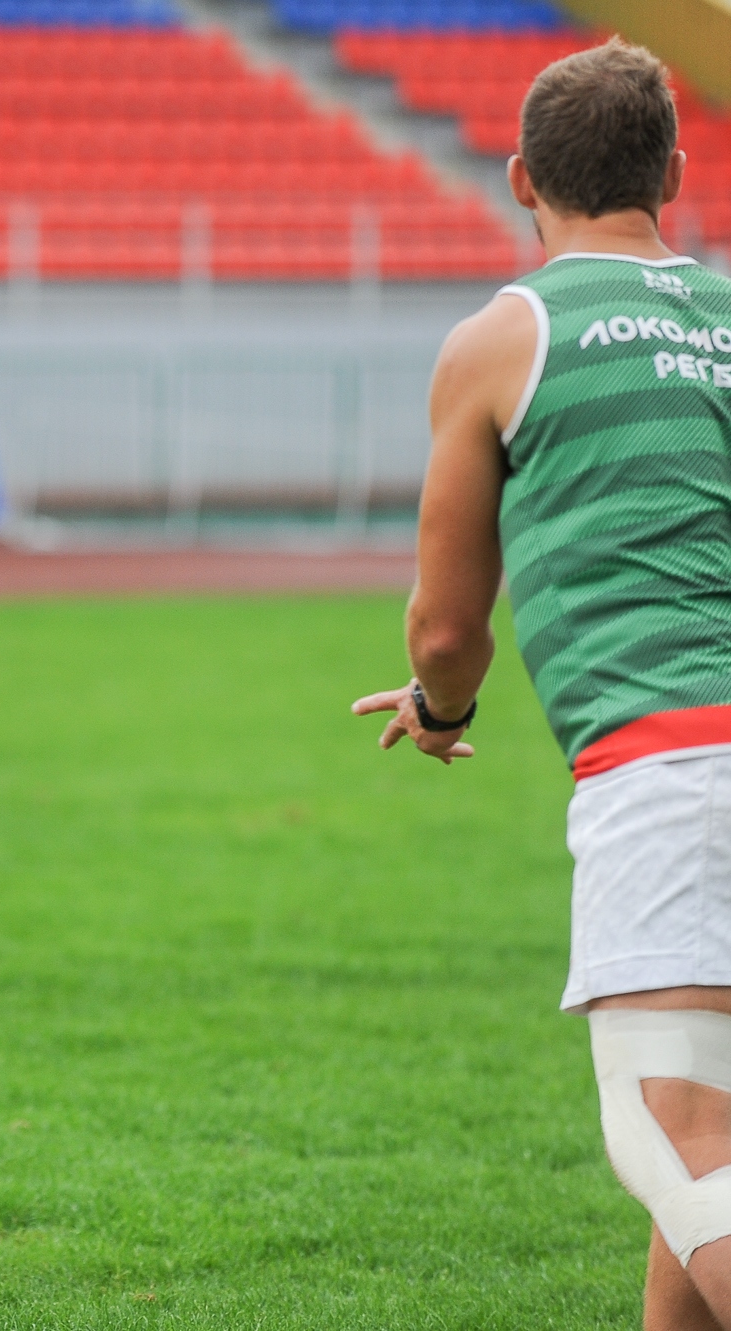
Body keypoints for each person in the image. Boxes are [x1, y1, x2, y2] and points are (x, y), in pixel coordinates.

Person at [351, 40, 731, 1330]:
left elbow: (445, 624)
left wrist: (437, 704)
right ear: (673, 175)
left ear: (519, 177)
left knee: (658, 1128)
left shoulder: (504, 336)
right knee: (709, 1136)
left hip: (668, 762)